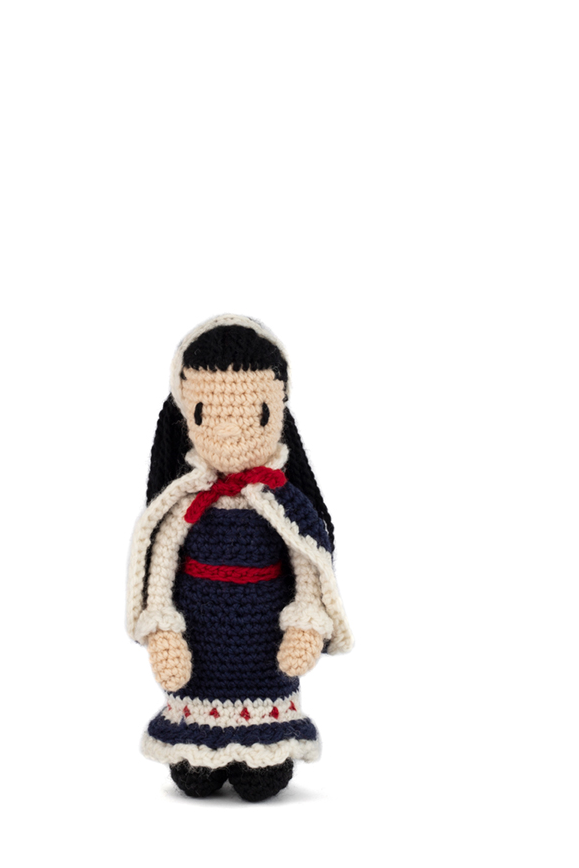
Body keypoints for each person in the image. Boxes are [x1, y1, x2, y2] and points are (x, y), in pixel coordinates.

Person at [126, 314, 352, 801]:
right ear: (187, 414)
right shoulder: (182, 503)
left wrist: (305, 623)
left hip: (264, 660)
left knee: (262, 780)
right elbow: (159, 572)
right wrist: (163, 630)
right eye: (205, 412)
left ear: (279, 410)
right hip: (199, 658)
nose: (230, 430)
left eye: (257, 413)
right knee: (193, 777)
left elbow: (307, 564)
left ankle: (264, 748)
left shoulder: (284, 503)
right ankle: (196, 747)